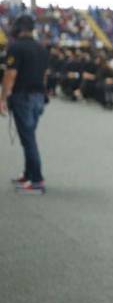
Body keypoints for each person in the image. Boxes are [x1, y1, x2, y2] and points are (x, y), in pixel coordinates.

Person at [0, 14, 49, 195]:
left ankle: (36, 181)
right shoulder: (42, 49)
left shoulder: (16, 47)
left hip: (23, 97)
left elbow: (10, 75)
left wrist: (2, 98)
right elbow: (45, 76)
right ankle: (29, 174)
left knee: (28, 140)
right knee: (28, 137)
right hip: (38, 98)